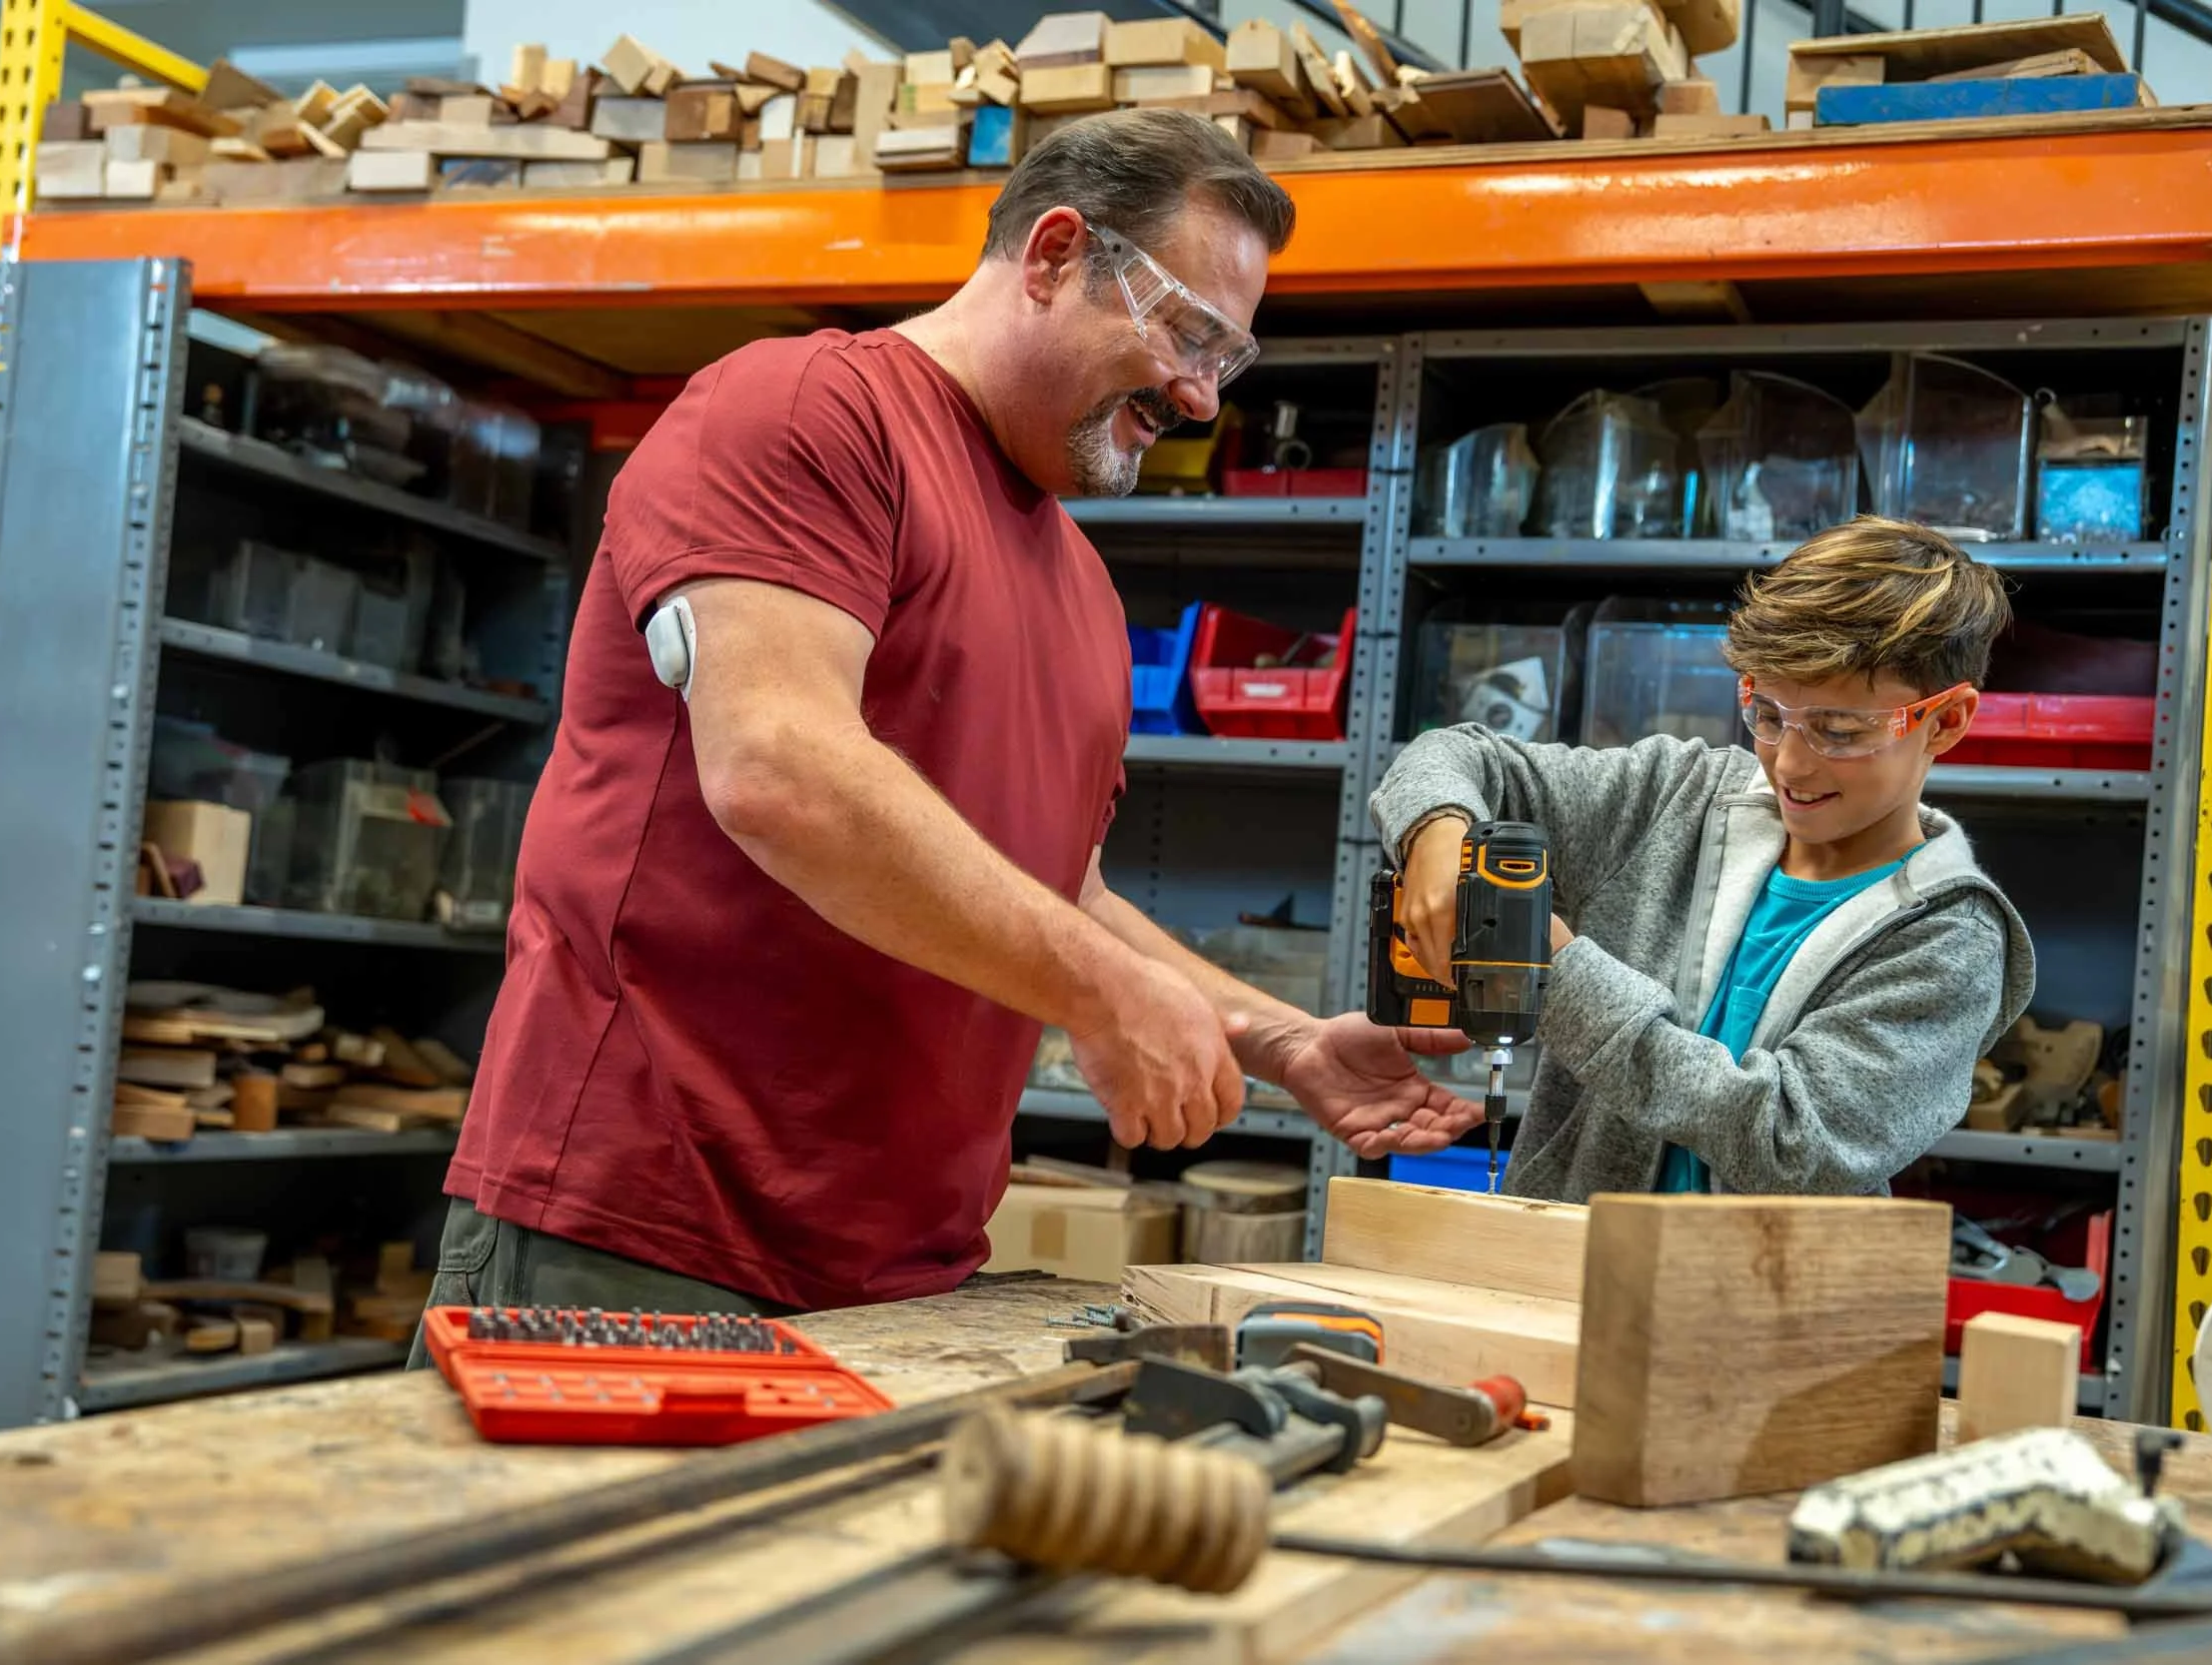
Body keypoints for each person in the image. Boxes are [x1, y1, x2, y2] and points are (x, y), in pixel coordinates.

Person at [416, 111, 1476, 1343]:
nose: (1196, 395)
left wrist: (1279, 1037)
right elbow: (779, 768)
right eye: (1186, 334)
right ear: (1053, 252)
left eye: (1226, 361)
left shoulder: (1077, 579)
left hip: (897, 1269)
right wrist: (1102, 996)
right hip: (641, 1234)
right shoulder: (802, 411)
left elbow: (1048, 890)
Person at [1358, 514, 2037, 1199]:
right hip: (1561, 1272)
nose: (1791, 764)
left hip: (1754, 1299)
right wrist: (1441, 833)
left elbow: (1789, 1141)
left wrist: (1554, 971)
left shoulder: (1950, 940)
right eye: (1769, 715)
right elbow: (1456, 754)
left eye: (1839, 730)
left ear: (1946, 721)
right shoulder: (1675, 796)